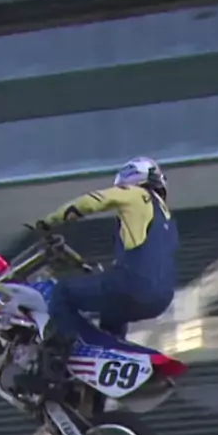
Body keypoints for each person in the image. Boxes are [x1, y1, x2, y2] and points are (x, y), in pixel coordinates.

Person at [34, 156, 179, 397]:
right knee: (112, 316)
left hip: (133, 284)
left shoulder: (135, 194)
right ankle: (99, 387)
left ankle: (57, 363)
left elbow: (92, 202)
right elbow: (145, 258)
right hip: (161, 298)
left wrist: (49, 222)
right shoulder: (167, 219)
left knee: (63, 292)